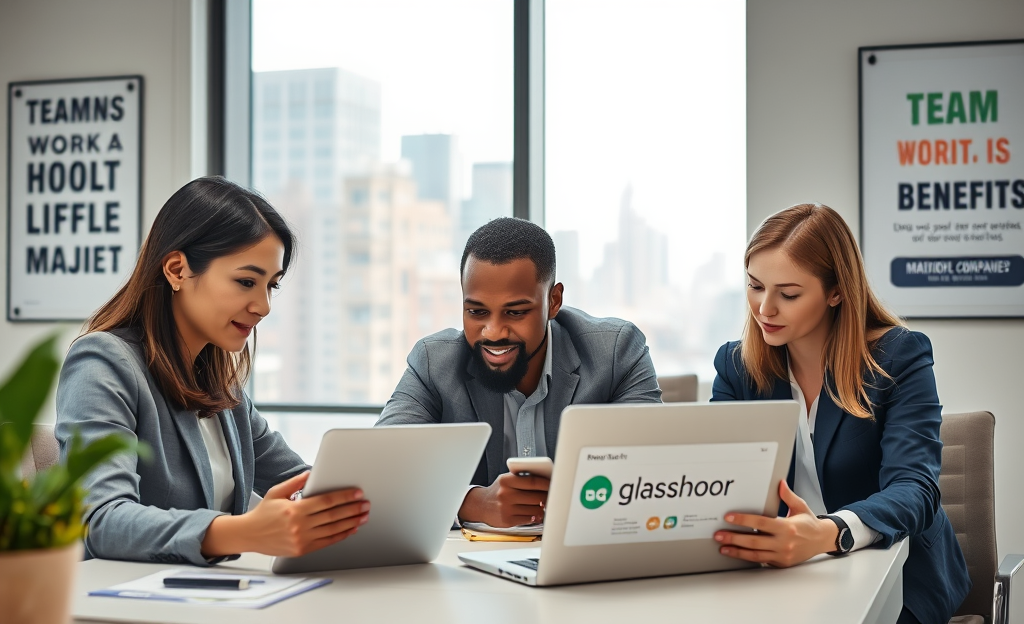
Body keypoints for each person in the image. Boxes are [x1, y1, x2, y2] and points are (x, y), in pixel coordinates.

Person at [55, 176, 370, 565]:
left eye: (271, 286)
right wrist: (245, 531)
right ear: (177, 270)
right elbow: (103, 521)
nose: (263, 306)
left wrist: (360, 502)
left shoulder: (223, 390)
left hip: (209, 591)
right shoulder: (102, 363)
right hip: (128, 592)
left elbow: (300, 480)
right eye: (246, 281)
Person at [710, 203, 970, 624]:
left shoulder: (898, 357)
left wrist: (829, 532)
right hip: (780, 575)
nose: (764, 309)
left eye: (788, 294)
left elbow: (915, 488)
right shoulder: (737, 367)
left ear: (836, 292)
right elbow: (717, 478)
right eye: (755, 286)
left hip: (894, 572)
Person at [376, 217, 662, 527]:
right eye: (477, 311)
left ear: (553, 301)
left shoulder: (616, 352)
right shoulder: (434, 364)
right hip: (472, 555)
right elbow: (380, 470)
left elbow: (656, 469)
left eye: (515, 312)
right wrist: (474, 503)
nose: (494, 331)